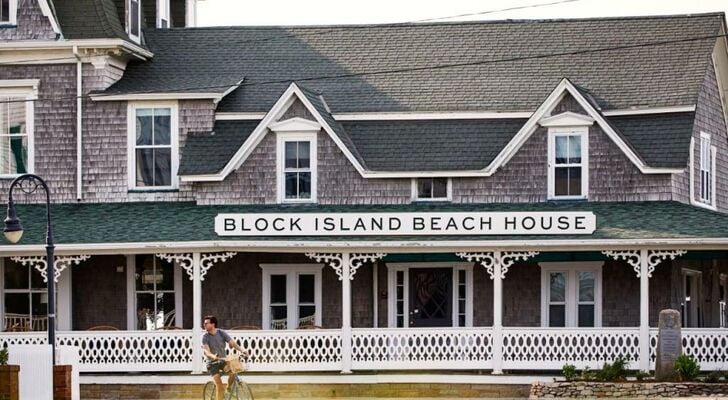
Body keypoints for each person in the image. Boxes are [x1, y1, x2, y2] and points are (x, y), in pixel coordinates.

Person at [202, 315, 247, 400]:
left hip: (223, 361)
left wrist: (242, 350)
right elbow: (206, 351)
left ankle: (228, 388)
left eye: (206, 323)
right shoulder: (205, 337)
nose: (204, 325)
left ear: (213, 324)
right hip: (212, 364)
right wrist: (213, 356)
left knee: (233, 372)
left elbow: (232, 343)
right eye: (204, 323)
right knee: (219, 386)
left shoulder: (221, 333)